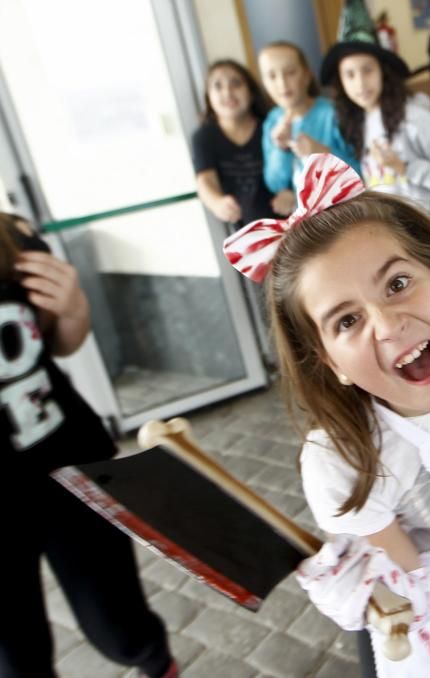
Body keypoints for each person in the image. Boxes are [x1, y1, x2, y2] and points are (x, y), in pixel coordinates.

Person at [222, 154, 430, 677]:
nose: (386, 324)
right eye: (347, 320)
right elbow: (407, 589)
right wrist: (366, 590)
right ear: (329, 362)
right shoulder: (344, 459)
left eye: (398, 284)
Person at [0, 213, 176, 678]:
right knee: (17, 662)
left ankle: (159, 667)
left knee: (121, 628)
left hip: (68, 466)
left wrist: (73, 310)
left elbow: (57, 343)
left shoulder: (11, 237)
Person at [320, 3, 430, 213]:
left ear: (383, 71)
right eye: (350, 74)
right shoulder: (359, 122)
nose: (360, 83)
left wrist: (404, 167)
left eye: (368, 70)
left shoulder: (414, 116)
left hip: (429, 232)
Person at [258, 41, 359, 215]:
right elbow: (274, 183)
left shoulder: (332, 114)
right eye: (272, 76)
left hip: (343, 213)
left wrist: (324, 153)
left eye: (290, 73)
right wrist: (280, 149)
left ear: (306, 75)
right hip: (305, 221)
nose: (282, 83)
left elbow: (361, 171)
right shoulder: (272, 121)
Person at [192, 59, 279, 230]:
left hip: (288, 222)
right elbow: (205, 181)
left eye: (236, 84)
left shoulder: (272, 126)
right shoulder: (204, 136)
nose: (228, 92)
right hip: (244, 233)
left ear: (251, 91)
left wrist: (290, 194)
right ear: (208, 97)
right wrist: (217, 202)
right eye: (218, 86)